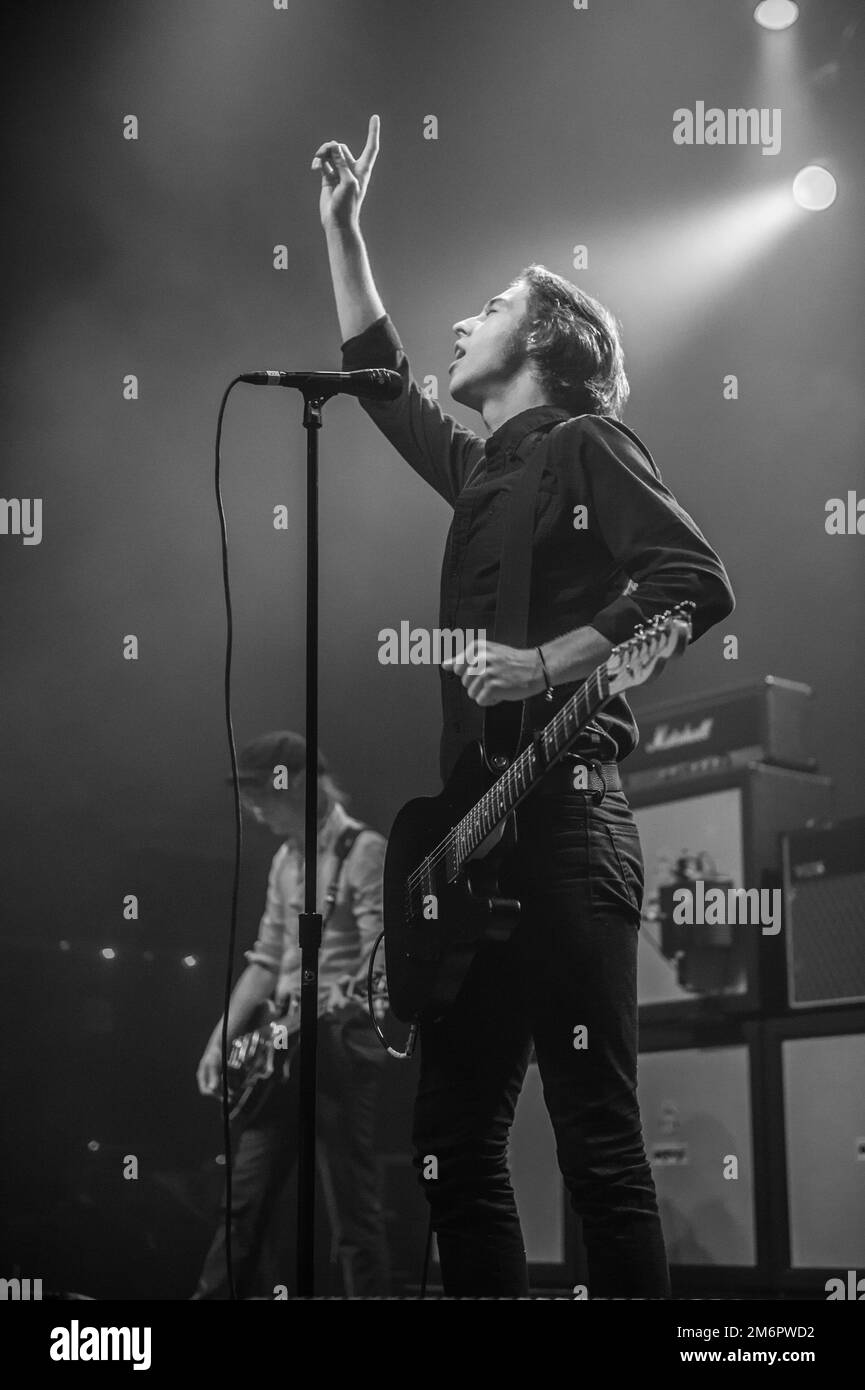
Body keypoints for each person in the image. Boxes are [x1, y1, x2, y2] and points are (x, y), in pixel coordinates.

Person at [310, 115, 736, 1298]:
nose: (462, 324)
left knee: (597, 1144)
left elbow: (692, 580)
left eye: (489, 307)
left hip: (568, 825)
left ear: (546, 340)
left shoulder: (589, 442)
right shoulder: (481, 474)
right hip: (473, 846)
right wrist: (342, 231)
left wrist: (548, 662)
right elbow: (380, 379)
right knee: (450, 1149)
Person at [193, 730, 390, 1298]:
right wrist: (219, 1041)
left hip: (338, 1047)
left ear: (300, 783)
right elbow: (266, 960)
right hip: (279, 1053)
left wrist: (350, 993)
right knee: (243, 1204)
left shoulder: (364, 851)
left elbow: (383, 957)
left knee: (353, 1212)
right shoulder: (284, 861)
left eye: (261, 793)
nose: (253, 808)